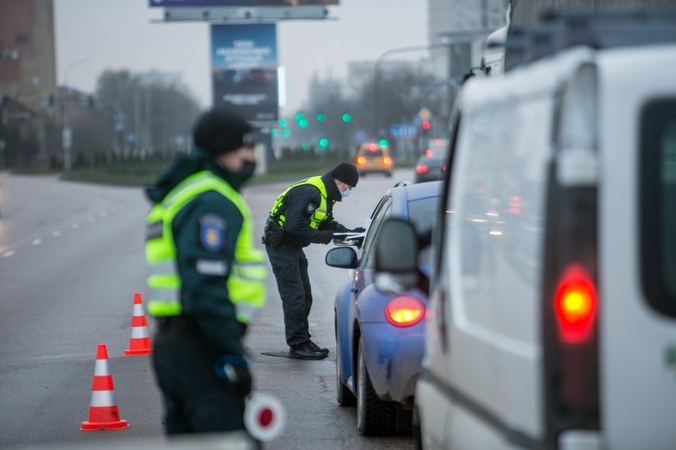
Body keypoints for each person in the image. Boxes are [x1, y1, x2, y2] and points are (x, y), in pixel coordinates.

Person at [144, 108, 267, 436]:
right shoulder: (212, 200)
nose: (251, 157)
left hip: (176, 345)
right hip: (201, 346)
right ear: (225, 149)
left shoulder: (184, 191)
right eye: (247, 148)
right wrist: (231, 353)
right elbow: (205, 285)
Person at [263, 163, 362, 360]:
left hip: (292, 246)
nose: (348, 191)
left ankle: (303, 340)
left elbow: (326, 223)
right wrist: (323, 236)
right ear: (339, 180)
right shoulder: (311, 191)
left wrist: (349, 233)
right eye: (348, 187)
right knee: (295, 296)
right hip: (281, 244)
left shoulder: (325, 193)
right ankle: (298, 344)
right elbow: (294, 225)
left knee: (305, 295)